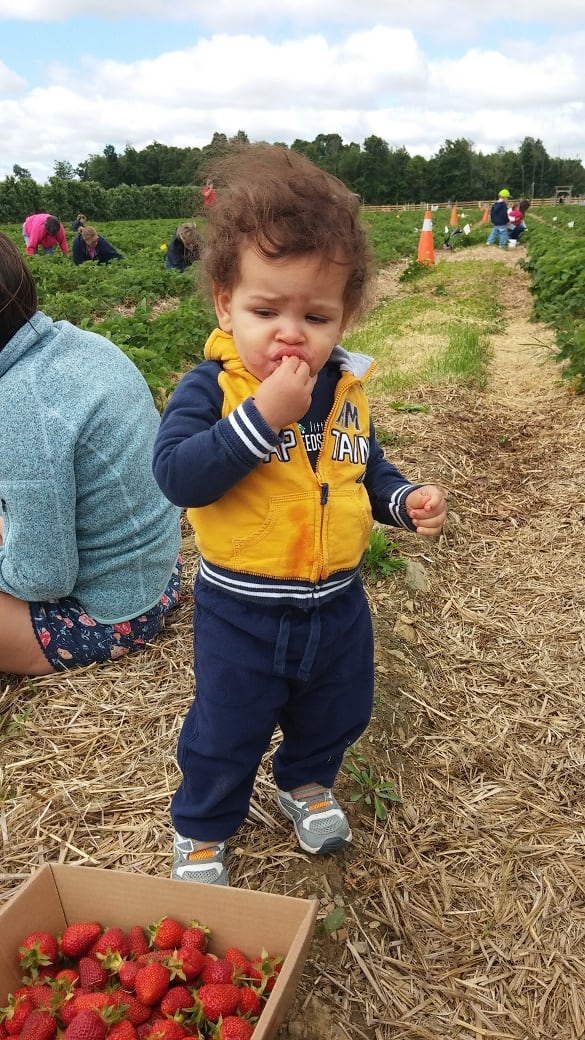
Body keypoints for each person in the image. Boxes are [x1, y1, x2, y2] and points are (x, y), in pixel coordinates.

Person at [153, 144, 447, 886]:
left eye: (315, 315)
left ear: (344, 316)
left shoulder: (345, 391)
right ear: (225, 302)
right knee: (226, 726)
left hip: (336, 601)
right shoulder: (212, 390)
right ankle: (202, 828)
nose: (290, 333)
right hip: (242, 609)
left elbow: (361, 466)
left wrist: (399, 500)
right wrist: (260, 417)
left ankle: (305, 781)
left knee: (337, 708)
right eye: (264, 310)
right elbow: (178, 476)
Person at [0, 231, 182, 676]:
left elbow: (43, 580)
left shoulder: (20, 405)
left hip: (114, 612)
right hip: (156, 573)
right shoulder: (77, 344)